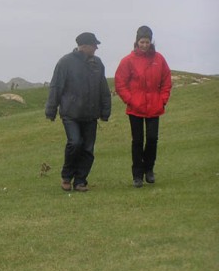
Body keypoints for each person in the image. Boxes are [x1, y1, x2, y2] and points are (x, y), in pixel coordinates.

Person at [45, 32, 112, 192]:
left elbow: (103, 88)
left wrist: (105, 110)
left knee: (88, 149)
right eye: (94, 45)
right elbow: (56, 86)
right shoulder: (65, 62)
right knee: (75, 143)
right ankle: (67, 176)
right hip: (71, 113)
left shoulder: (97, 63)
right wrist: (51, 109)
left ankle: (80, 180)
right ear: (84, 46)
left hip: (90, 114)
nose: (96, 48)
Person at [114, 26, 172, 188]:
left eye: (147, 42)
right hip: (135, 108)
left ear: (151, 41)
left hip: (154, 106)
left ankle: (149, 169)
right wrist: (130, 100)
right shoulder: (128, 61)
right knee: (137, 141)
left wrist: (162, 100)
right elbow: (120, 83)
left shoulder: (159, 59)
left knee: (152, 139)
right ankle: (137, 175)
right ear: (137, 42)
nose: (144, 45)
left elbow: (166, 81)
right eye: (142, 42)